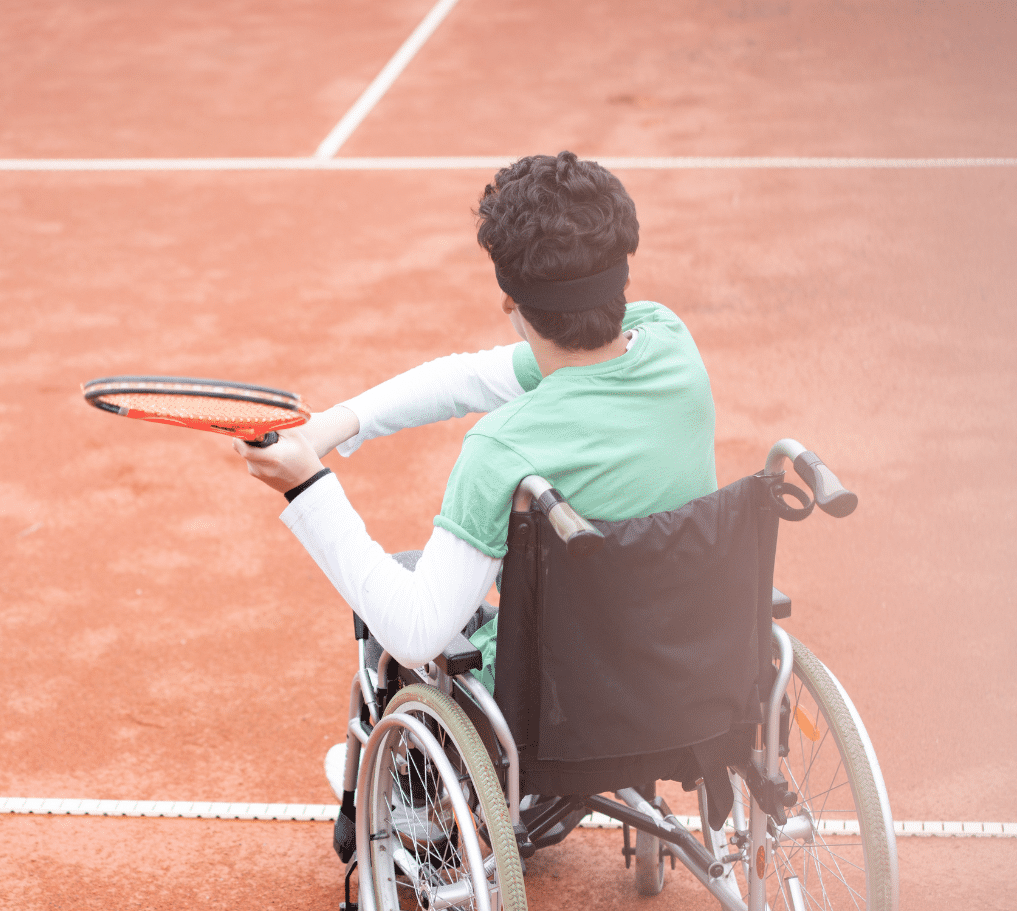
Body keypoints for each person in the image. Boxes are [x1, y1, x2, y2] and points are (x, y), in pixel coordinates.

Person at [233, 151, 719, 693]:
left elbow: (417, 633)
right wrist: (337, 424)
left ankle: (405, 776)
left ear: (509, 301)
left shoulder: (503, 450)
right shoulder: (669, 340)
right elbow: (465, 380)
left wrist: (305, 485)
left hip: (557, 706)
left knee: (404, 588)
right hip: (683, 671)